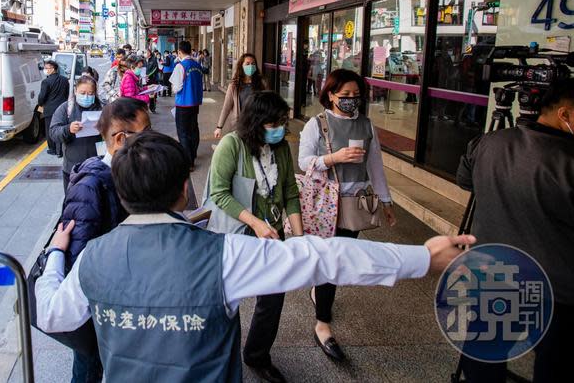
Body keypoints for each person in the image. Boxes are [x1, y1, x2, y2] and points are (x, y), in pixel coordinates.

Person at [36, 131, 476, 382]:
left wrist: (57, 257)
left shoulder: (92, 258)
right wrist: (422, 258)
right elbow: (324, 257)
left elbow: (53, 314)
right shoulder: (224, 255)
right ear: (183, 190)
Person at [456, 77, 574, 383]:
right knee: (555, 364)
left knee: (484, 352)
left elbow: (465, 180)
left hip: (493, 272)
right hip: (557, 289)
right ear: (565, 114)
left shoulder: (489, 142)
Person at [297, 68, 396, 361]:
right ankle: (323, 324)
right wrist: (333, 158)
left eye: (356, 96)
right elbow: (304, 162)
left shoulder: (367, 126)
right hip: (326, 203)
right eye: (345, 96)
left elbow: (375, 166)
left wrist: (386, 202)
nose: (351, 100)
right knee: (332, 263)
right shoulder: (318, 125)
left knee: (337, 262)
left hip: (355, 206)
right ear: (330, 95)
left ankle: (320, 293)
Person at [210, 91, 303, 382]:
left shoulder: (282, 149)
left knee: (273, 299)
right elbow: (219, 193)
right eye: (272, 123)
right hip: (237, 234)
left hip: (273, 237)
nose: (279, 129)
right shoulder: (232, 145)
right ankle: (220, 356)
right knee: (228, 299)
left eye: (282, 123)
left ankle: (257, 355)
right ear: (255, 121)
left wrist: (299, 238)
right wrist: (255, 223)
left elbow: (290, 192)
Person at [58, 97, 151, 383]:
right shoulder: (91, 185)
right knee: (88, 369)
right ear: (121, 138)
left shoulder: (129, 173)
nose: (151, 139)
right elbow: (79, 259)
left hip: (123, 295)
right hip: (97, 306)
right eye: (145, 132)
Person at [49, 76, 103, 193]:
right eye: (83, 93)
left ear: (95, 93)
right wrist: (69, 129)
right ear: (75, 91)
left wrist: (105, 127)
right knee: (73, 201)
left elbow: (115, 132)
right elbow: (53, 132)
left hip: (97, 166)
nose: (86, 96)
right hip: (72, 168)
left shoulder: (103, 108)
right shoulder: (66, 108)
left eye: (90, 93)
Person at [215, 53, 266, 139]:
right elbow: (226, 107)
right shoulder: (234, 86)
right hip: (239, 126)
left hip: (257, 125)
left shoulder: (262, 84)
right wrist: (219, 127)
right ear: (241, 66)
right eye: (247, 64)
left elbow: (266, 106)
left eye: (253, 64)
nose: (251, 66)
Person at [170, 41, 203, 170]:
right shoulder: (197, 65)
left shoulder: (180, 66)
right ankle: (193, 154)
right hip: (195, 103)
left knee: (183, 132)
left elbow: (176, 88)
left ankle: (188, 162)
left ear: (179, 52)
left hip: (183, 104)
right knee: (193, 129)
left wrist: (173, 88)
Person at [38, 60, 70, 157]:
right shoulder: (65, 80)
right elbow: (67, 94)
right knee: (60, 128)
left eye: (47, 68)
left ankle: (52, 149)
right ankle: (60, 150)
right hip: (62, 108)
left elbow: (41, 97)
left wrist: (40, 104)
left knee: (50, 130)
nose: (45, 70)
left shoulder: (46, 82)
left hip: (49, 110)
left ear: (53, 69)